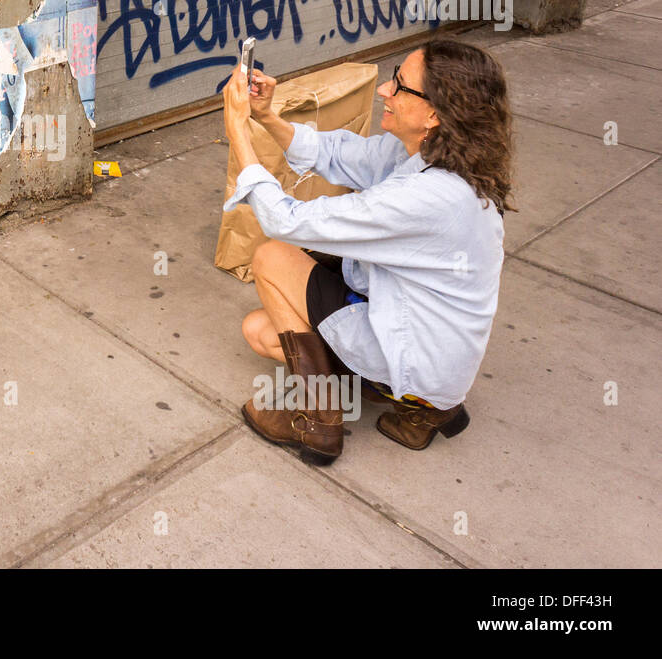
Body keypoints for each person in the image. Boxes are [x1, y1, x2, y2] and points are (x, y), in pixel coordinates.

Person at [221, 39, 515, 465]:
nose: (384, 91)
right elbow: (340, 154)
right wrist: (265, 115)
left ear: (435, 113)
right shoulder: (435, 155)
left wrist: (238, 132)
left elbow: (285, 220)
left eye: (400, 86)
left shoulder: (433, 197)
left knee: (272, 255)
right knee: (260, 332)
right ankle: (425, 410)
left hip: (420, 356)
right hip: (431, 349)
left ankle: (319, 422)